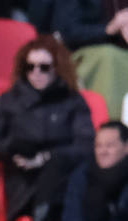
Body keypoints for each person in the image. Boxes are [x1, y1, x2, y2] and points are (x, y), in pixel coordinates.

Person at [0, 35, 94, 221]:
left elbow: (87, 146)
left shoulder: (73, 101)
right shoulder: (9, 101)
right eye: (30, 67)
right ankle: (42, 218)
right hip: (24, 185)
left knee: (61, 165)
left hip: (65, 181)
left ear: (57, 68)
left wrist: (46, 157)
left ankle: (45, 218)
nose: (36, 73)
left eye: (44, 67)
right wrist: (13, 147)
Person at [27, 0, 128, 131]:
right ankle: (112, 132)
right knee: (110, 57)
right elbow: (67, 32)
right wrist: (109, 29)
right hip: (81, 53)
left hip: (119, 51)